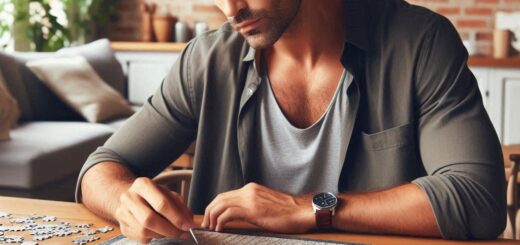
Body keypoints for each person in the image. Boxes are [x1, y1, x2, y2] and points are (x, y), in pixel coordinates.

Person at [77, 0, 506, 243]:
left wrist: (309, 209)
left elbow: (478, 199)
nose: (231, 8)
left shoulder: (420, 43)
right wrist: (124, 203)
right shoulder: (208, 60)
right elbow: (101, 167)